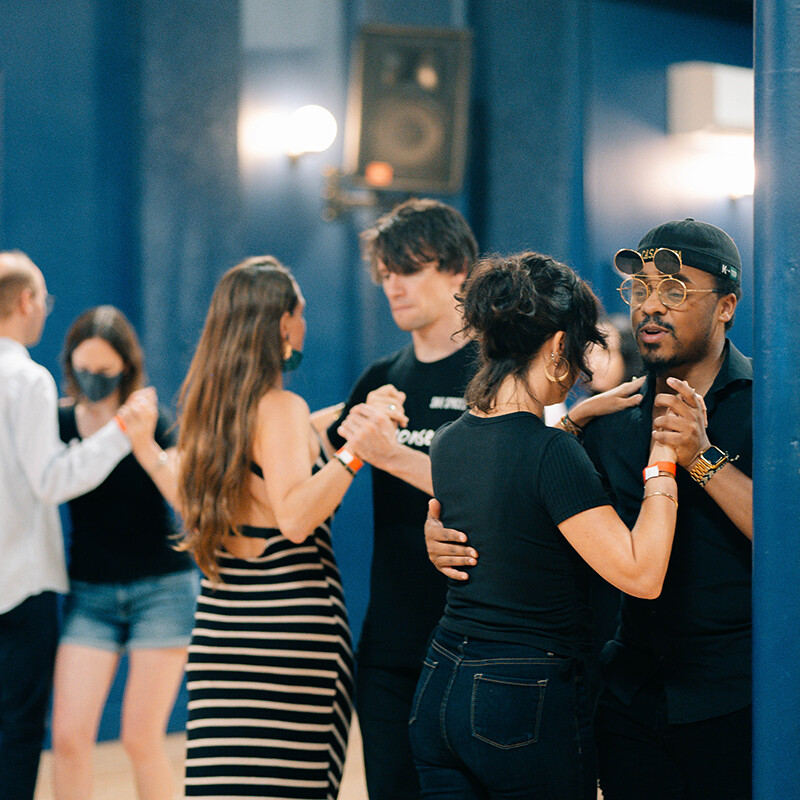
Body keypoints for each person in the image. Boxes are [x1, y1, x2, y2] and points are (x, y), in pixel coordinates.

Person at [426, 219, 752, 800]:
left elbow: (788, 535)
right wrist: (450, 536)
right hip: (626, 694)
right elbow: (551, 515)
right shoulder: (614, 419)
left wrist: (700, 458)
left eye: (674, 291)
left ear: (725, 305)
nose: (650, 306)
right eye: (641, 289)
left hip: (732, 696)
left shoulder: (771, 404)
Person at [178, 257, 366, 799]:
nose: (304, 325)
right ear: (282, 324)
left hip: (222, 631)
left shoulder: (209, 413)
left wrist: (344, 420)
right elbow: (295, 516)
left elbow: (277, 460)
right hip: (290, 634)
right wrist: (358, 452)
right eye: (300, 313)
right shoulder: (280, 405)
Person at [324, 198, 480, 800]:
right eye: (386, 274)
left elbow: (502, 492)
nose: (394, 286)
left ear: (458, 270)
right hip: (389, 646)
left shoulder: (495, 374)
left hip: (474, 641)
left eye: (410, 269)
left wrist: (391, 455)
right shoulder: (379, 379)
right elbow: (321, 484)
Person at [0, 251, 155, 800]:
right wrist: (119, 434)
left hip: (147, 585)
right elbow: (50, 481)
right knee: (24, 736)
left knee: (130, 736)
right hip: (24, 587)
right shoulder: (29, 380)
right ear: (26, 302)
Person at [50, 306, 198, 800]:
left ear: (126, 367)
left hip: (162, 589)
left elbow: (186, 501)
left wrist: (141, 441)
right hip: (90, 594)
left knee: (140, 739)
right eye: (84, 368)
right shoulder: (59, 419)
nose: (94, 379)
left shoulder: (151, 421)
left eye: (105, 370)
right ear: (71, 363)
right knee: (69, 737)